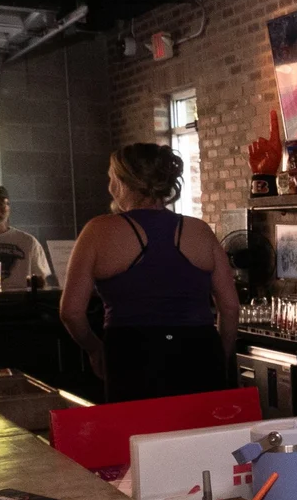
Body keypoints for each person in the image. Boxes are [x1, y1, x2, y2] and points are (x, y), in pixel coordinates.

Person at [59, 143, 238, 403]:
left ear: (121, 182)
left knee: (142, 437)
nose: (109, 186)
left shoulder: (98, 231)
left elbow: (71, 312)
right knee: (202, 438)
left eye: (111, 178)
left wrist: (95, 349)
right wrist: (221, 352)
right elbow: (230, 307)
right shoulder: (199, 230)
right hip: (198, 349)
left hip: (133, 353)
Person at [0, 184, 52, 291]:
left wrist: (38, 283)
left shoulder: (28, 241)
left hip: (20, 304)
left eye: (1, 204)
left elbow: (41, 280)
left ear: (8, 208)